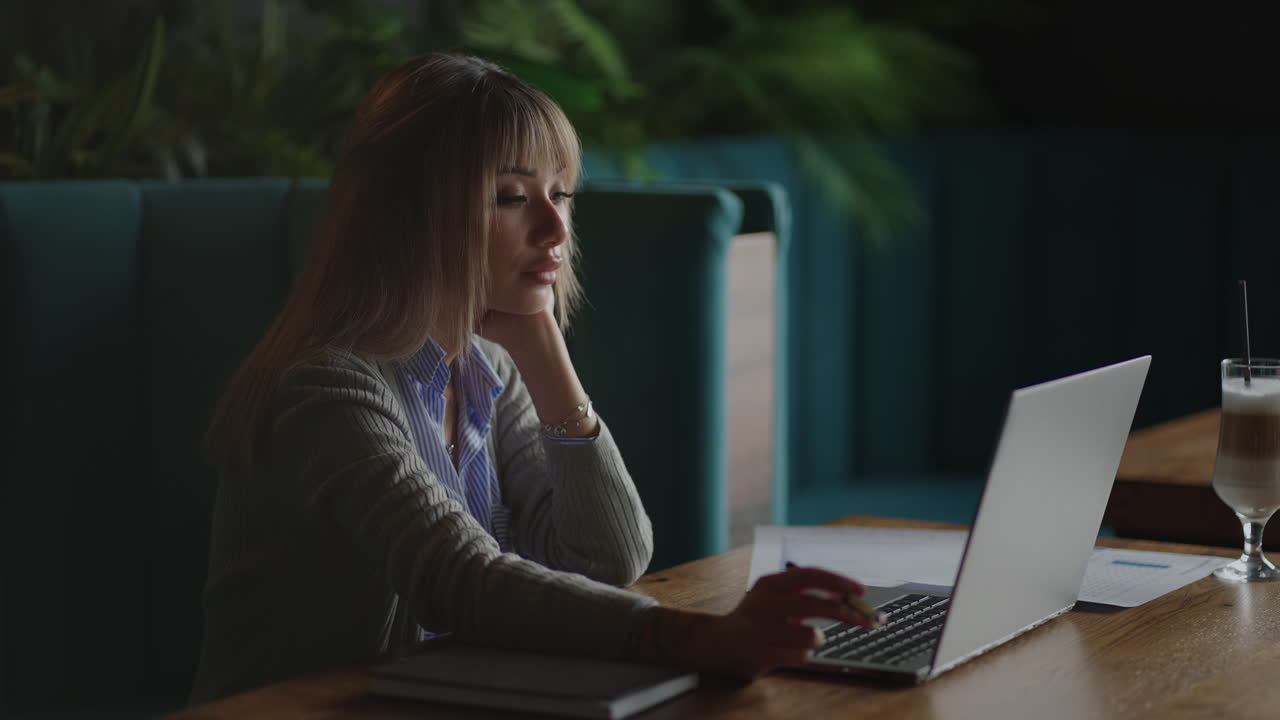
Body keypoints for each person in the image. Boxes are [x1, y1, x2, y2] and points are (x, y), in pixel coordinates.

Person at [190, 51, 872, 704]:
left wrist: (542, 343)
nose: (555, 228)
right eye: (512, 197)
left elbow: (608, 555)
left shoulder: (488, 369)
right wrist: (699, 636)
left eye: (561, 193)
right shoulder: (325, 389)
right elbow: (456, 578)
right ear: (410, 214)